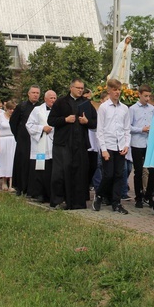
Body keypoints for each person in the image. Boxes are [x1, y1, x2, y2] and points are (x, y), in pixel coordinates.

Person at [48, 79, 97, 210]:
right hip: (63, 144)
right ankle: (59, 200)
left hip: (80, 144)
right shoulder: (61, 102)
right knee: (61, 173)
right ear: (71, 88)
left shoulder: (86, 103)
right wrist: (65, 119)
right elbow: (51, 120)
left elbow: (95, 123)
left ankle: (77, 202)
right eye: (78, 88)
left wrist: (87, 121)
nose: (80, 90)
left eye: (82, 88)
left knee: (79, 173)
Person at [93, 79, 131, 215]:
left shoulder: (124, 108)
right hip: (108, 145)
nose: (117, 92)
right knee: (108, 175)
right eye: (114, 89)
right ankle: (99, 195)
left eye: (119, 89)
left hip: (120, 145)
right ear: (109, 91)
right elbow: (100, 130)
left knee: (119, 175)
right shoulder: (103, 108)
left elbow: (127, 129)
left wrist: (126, 145)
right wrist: (103, 149)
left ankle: (116, 202)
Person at [25, 90, 57, 203]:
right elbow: (29, 125)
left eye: (54, 98)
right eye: (51, 98)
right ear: (45, 99)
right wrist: (42, 128)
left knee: (52, 170)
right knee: (40, 170)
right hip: (41, 144)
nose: (53, 100)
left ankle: (51, 194)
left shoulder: (58, 110)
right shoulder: (37, 110)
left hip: (53, 144)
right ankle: (39, 194)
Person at [10, 85, 41, 196]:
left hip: (37, 139)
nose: (35, 95)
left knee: (34, 164)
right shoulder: (21, 106)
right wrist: (18, 136)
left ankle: (31, 188)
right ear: (28, 94)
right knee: (22, 162)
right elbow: (13, 122)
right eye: (33, 92)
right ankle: (19, 187)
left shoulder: (41, 107)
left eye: (37, 93)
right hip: (23, 139)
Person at [128, 84, 154, 208]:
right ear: (139, 95)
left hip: (149, 142)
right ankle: (138, 196)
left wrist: (151, 129)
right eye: (145, 96)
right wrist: (141, 129)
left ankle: (149, 195)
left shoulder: (152, 109)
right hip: (137, 142)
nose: (147, 99)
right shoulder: (133, 109)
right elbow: (128, 127)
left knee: (151, 170)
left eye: (149, 96)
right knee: (138, 170)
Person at [0, 100, 17, 191]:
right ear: (6, 109)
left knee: (12, 161)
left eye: (13, 109)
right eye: (10, 109)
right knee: (4, 161)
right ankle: (4, 182)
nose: (12, 111)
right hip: (3, 140)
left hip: (13, 140)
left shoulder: (16, 117)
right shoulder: (0, 116)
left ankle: (11, 184)